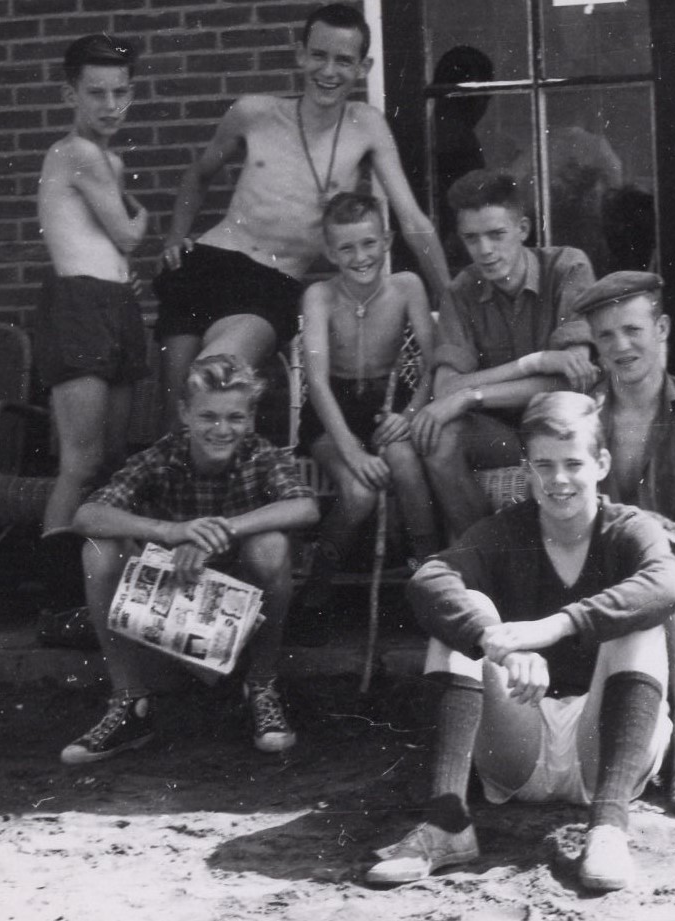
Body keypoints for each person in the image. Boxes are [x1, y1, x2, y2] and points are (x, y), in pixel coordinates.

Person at [368, 393, 675, 891]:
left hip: (603, 747)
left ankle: (608, 829)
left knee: (640, 622)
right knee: (467, 613)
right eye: (544, 465)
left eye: (573, 464)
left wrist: (557, 625)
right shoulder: (503, 530)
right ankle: (447, 824)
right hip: (521, 742)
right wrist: (499, 642)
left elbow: (667, 587)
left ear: (601, 464)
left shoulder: (629, 528)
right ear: (526, 470)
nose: (559, 480)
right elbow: (429, 579)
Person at [155, 3, 450, 429]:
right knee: (177, 421)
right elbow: (198, 174)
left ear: (363, 67)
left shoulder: (366, 126)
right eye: (318, 55)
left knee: (212, 382)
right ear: (300, 55)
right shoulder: (254, 113)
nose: (328, 71)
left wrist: (451, 299)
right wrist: (174, 237)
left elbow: (413, 220)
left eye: (343, 60)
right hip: (203, 266)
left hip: (270, 283)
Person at [59, 355, 319, 764]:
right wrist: (171, 531)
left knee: (270, 545)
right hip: (171, 611)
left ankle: (262, 687)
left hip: (241, 618)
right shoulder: (164, 455)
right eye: (208, 416)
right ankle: (130, 703)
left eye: (235, 417)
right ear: (184, 413)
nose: (222, 430)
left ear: (251, 419)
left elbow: (305, 507)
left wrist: (219, 531)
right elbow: (86, 515)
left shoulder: (259, 454)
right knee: (98, 549)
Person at [577, 271, 675, 814]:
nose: (620, 346)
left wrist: (643, 532)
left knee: (671, 554)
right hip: (599, 562)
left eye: (632, 329)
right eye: (606, 335)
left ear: (661, 328)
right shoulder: (582, 418)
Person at [413, 168, 598, 537]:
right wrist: (535, 363)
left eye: (496, 234)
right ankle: (482, 551)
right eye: (471, 238)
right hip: (500, 435)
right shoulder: (461, 292)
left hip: (561, 425)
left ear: (523, 229)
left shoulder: (567, 268)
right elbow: (446, 388)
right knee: (440, 438)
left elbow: (571, 381)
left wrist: (472, 395)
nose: (485, 250)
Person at [292, 192, 439, 627]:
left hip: (388, 404)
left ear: (387, 240)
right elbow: (316, 381)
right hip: (332, 411)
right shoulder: (319, 296)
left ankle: (432, 577)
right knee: (358, 493)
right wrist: (352, 454)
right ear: (329, 251)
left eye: (369, 243)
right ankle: (317, 586)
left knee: (404, 461)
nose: (360, 257)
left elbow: (434, 365)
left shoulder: (407, 287)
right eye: (347, 247)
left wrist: (409, 416)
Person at [35, 35, 149, 540]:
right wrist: (143, 216)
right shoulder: (75, 152)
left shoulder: (110, 162)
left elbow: (108, 246)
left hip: (115, 303)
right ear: (71, 95)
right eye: (96, 92)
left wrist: (121, 273)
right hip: (79, 305)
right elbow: (128, 234)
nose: (110, 105)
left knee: (113, 459)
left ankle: (99, 577)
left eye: (120, 92)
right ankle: (55, 581)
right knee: (81, 462)